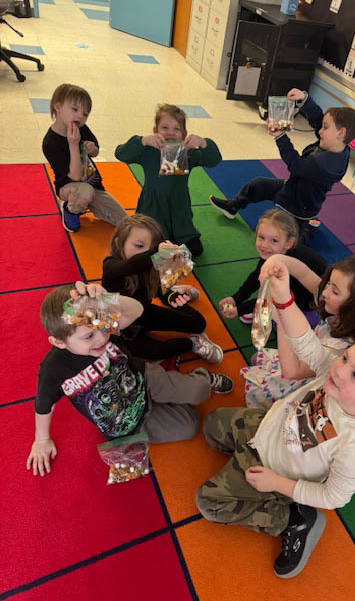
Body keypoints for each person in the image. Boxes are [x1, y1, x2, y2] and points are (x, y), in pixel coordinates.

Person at [196, 260, 355, 579]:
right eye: (344, 359)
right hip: (268, 430)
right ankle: (252, 469)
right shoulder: (334, 370)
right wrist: (284, 297)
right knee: (212, 425)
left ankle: (291, 519)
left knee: (209, 503)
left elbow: (336, 496)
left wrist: (278, 484)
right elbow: (306, 344)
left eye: (354, 375)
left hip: (280, 470)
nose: (339, 370)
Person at [26, 281, 234, 477]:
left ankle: (203, 378)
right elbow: (44, 405)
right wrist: (42, 440)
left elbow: (137, 310)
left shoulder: (101, 325)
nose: (102, 337)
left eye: (103, 327)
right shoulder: (53, 369)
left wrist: (105, 301)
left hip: (146, 380)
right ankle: (172, 393)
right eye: (88, 336)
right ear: (59, 342)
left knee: (198, 391)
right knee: (190, 425)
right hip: (131, 423)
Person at [209, 88, 355, 245]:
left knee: (285, 237)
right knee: (258, 184)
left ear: (341, 133)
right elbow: (317, 119)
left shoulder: (324, 164)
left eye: (325, 127)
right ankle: (233, 206)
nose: (320, 130)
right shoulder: (336, 144)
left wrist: (280, 137)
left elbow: (295, 165)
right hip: (292, 187)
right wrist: (304, 99)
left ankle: (308, 231)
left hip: (299, 205)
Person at [243, 255, 355, 409]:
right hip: (301, 356)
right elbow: (304, 273)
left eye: (335, 291)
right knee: (260, 359)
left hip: (299, 379)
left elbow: (292, 372)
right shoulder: (341, 307)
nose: (325, 292)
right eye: (328, 284)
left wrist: (282, 320)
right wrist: (277, 260)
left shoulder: (341, 349)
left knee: (258, 390)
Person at [102, 213, 224, 364]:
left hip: (145, 314)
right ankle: (193, 343)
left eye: (151, 247)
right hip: (123, 329)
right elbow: (131, 265)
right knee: (156, 352)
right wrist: (155, 253)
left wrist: (170, 296)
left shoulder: (150, 266)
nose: (145, 251)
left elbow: (158, 289)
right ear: (118, 242)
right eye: (139, 246)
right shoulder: (110, 266)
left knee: (199, 323)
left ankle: (174, 289)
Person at [115, 104, 222, 257]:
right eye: (164, 127)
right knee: (146, 246)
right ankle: (161, 246)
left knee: (196, 249)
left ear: (184, 134)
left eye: (176, 129)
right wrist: (143, 141)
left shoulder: (188, 153)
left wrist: (203, 142)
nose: (170, 133)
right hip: (152, 210)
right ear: (155, 131)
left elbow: (214, 160)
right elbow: (120, 154)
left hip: (179, 213)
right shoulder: (148, 151)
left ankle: (168, 248)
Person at [42, 83, 126, 233]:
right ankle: (70, 209)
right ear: (58, 106)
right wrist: (73, 144)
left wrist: (93, 149)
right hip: (70, 188)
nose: (80, 116)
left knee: (125, 221)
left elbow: (95, 151)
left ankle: (86, 203)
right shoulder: (50, 143)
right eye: (75, 109)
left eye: (85, 114)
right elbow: (74, 176)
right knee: (85, 192)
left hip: (93, 186)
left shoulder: (81, 128)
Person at [219, 209, 327, 325]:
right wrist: (236, 298)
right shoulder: (274, 253)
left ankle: (313, 322)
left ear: (288, 243)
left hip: (310, 305)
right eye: (261, 237)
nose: (264, 245)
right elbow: (256, 276)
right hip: (298, 293)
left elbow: (272, 299)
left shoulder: (286, 267)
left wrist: (240, 310)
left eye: (274, 240)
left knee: (284, 327)